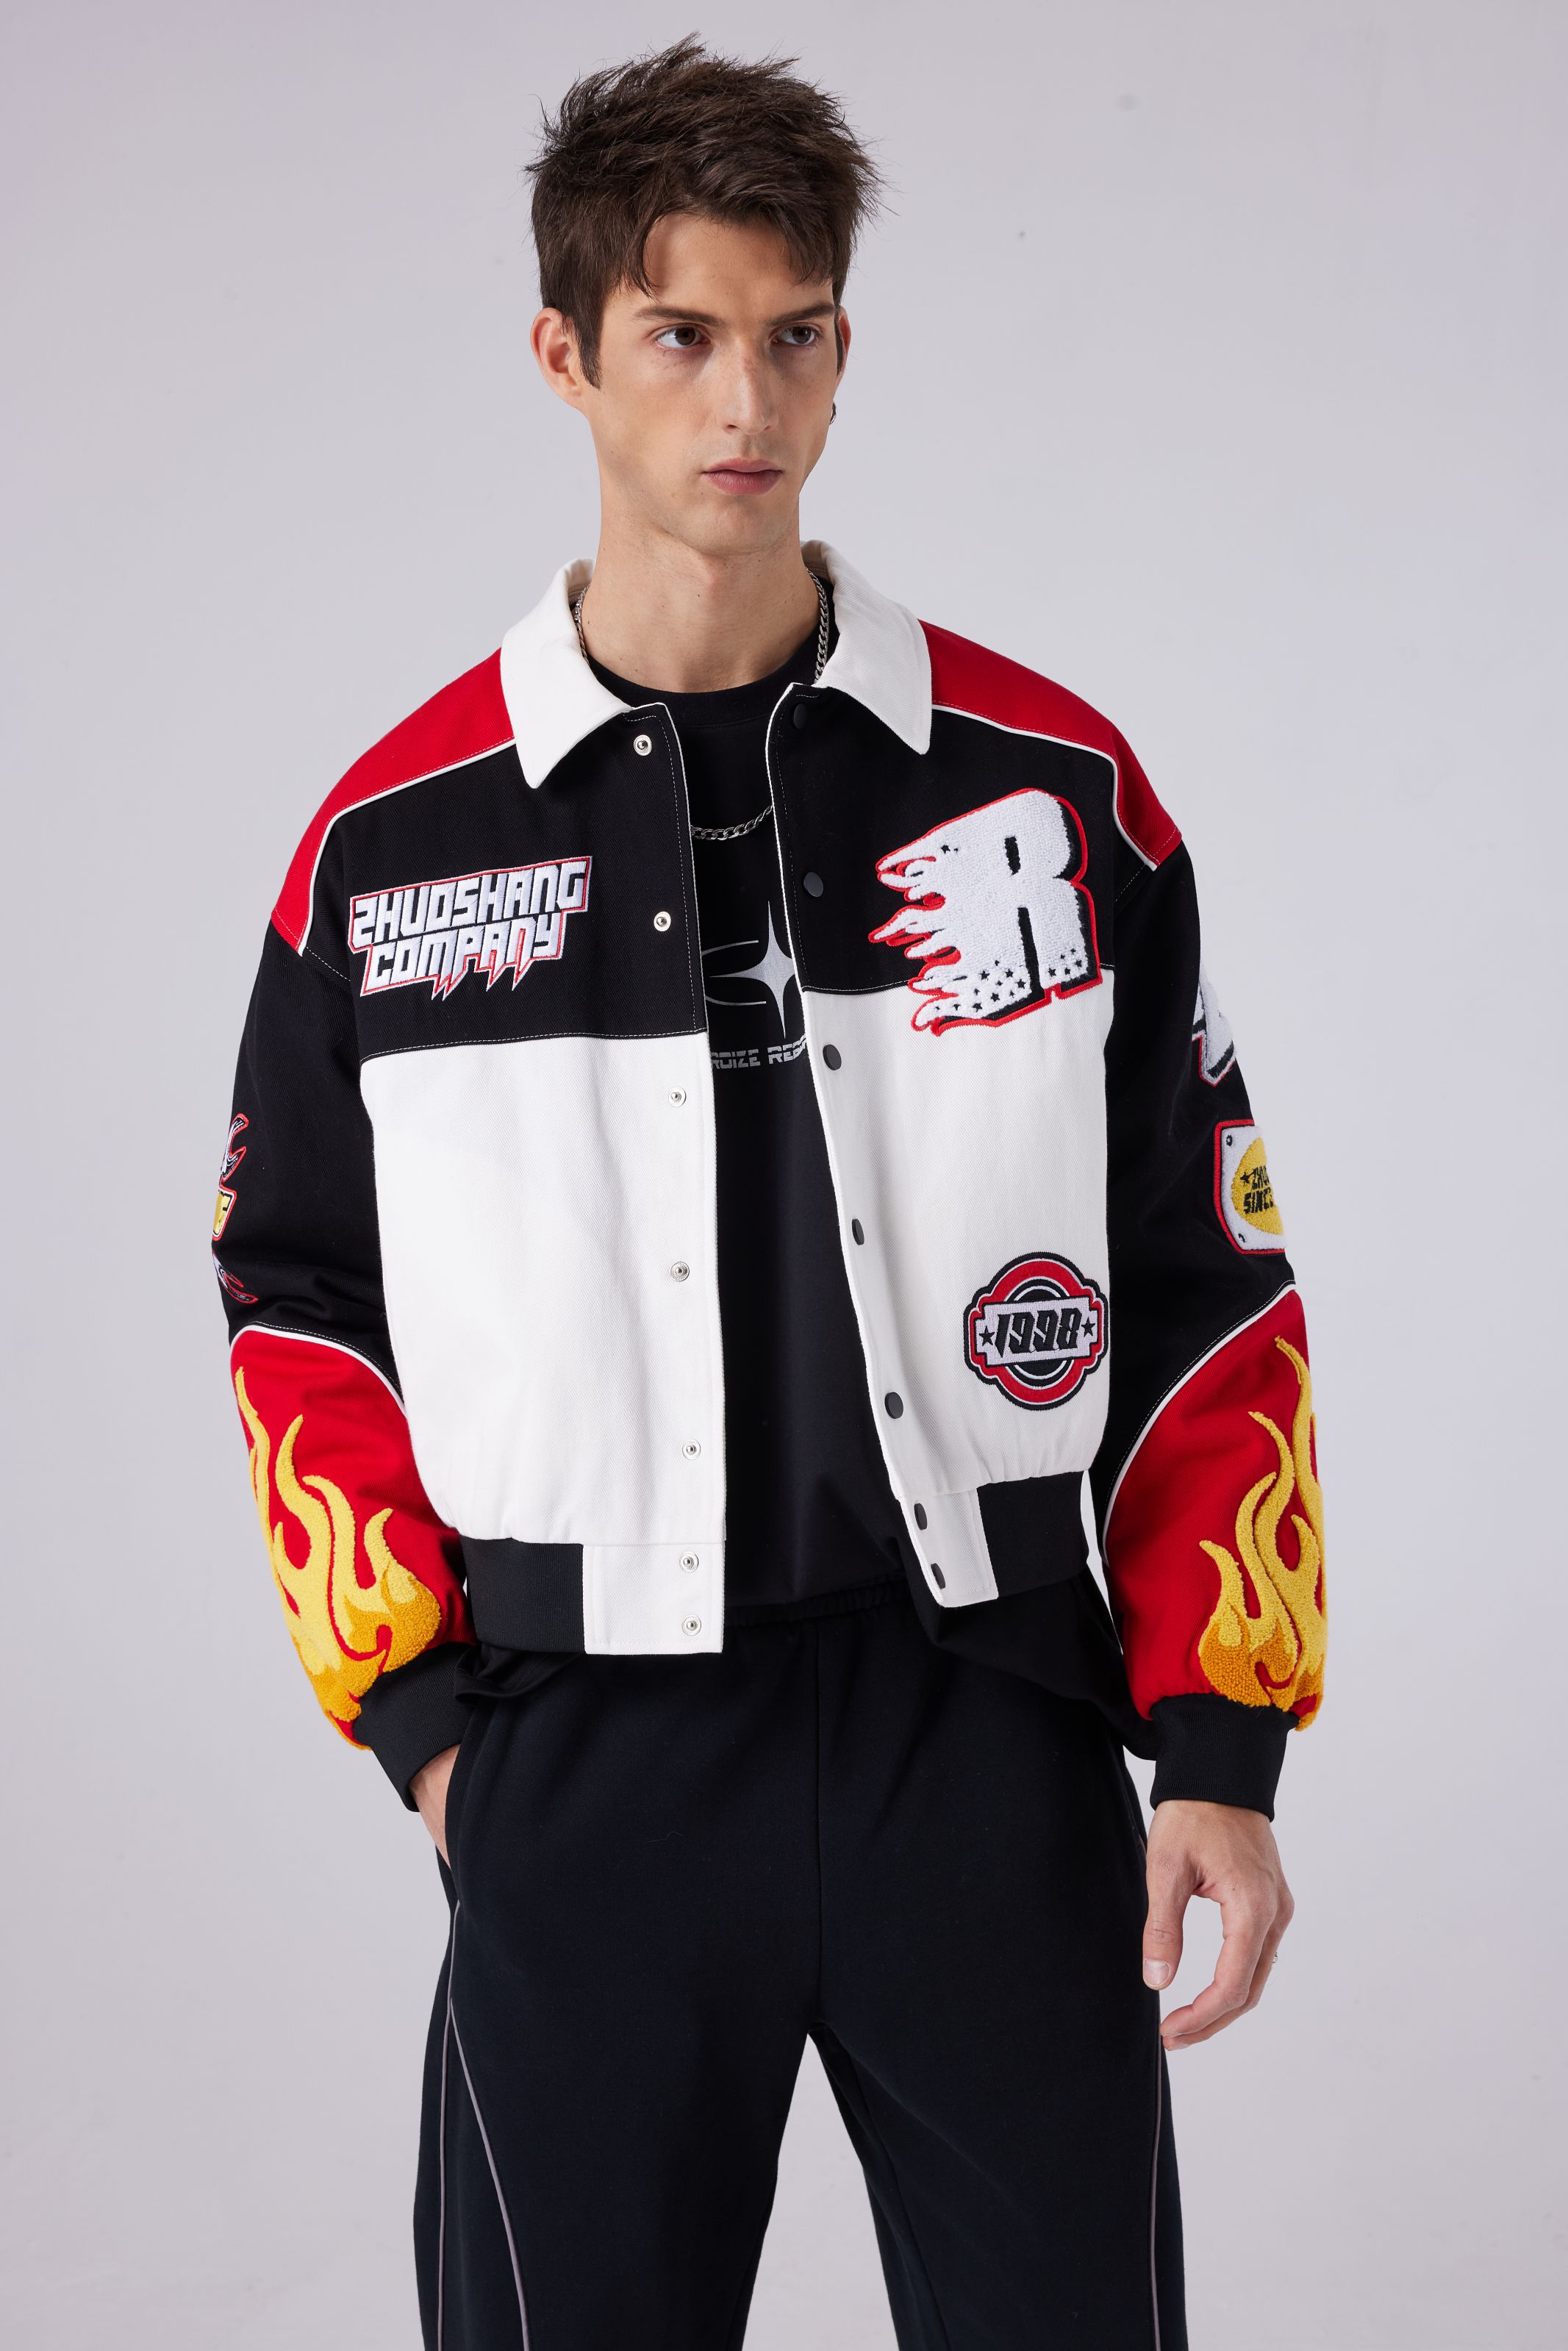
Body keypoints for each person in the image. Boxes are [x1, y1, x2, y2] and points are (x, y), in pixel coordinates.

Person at [215, 38, 1324, 2350]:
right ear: (564, 356)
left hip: (984, 1731)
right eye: (683, 336)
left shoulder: (1049, 794)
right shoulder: (395, 849)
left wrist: (1218, 1746)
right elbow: (295, 1296)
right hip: (583, 1760)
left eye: (796, 332)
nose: (749, 402)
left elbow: (1206, 1268)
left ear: (843, 343)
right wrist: (428, 1729)